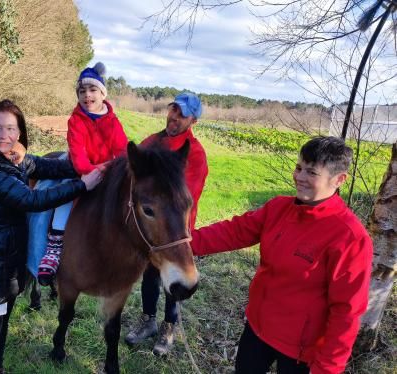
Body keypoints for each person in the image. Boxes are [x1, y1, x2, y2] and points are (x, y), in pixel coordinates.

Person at [190, 136, 373, 374]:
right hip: (257, 329)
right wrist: (183, 244)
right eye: (298, 168)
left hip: (301, 353)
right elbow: (234, 231)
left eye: (311, 172)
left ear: (339, 179)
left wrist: (327, 369)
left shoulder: (350, 237)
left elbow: (347, 312)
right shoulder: (278, 208)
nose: (299, 177)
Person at [0, 99, 102, 374]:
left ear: (19, 133)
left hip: (6, 264)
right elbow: (30, 200)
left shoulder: (12, 160)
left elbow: (52, 168)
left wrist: (90, 161)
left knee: (0, 331)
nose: (3, 135)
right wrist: (82, 185)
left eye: (10, 129)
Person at [125, 92, 208, 355]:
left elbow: (182, 198)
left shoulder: (194, 153)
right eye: (173, 110)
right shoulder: (153, 141)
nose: (174, 117)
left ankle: (169, 325)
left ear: (192, 120)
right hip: (152, 227)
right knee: (150, 274)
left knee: (174, 276)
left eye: (181, 114)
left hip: (174, 230)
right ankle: (148, 319)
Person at [36, 61, 128, 285]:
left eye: (92, 90)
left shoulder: (113, 122)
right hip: (80, 170)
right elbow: (78, 154)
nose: (87, 95)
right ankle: (54, 245)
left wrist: (111, 171)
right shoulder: (75, 121)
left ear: (102, 93)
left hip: (107, 171)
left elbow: (122, 150)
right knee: (64, 195)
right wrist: (89, 175)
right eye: (82, 91)